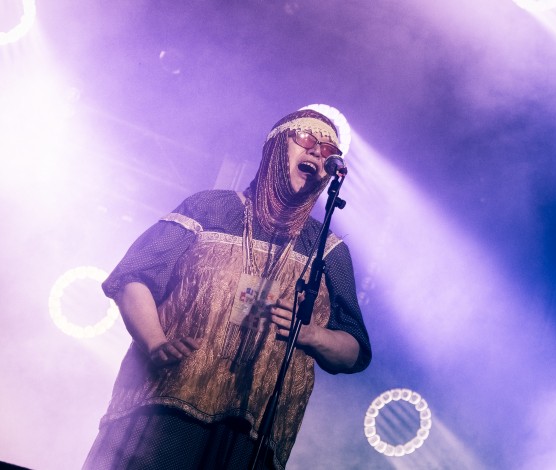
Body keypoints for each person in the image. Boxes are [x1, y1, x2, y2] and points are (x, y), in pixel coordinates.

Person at [83, 109, 372, 470]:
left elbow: (354, 351)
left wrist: (311, 334)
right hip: (166, 403)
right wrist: (154, 342)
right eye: (306, 139)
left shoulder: (328, 249)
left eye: (328, 149)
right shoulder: (209, 208)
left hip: (251, 431)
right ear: (275, 149)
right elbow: (134, 275)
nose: (317, 152)